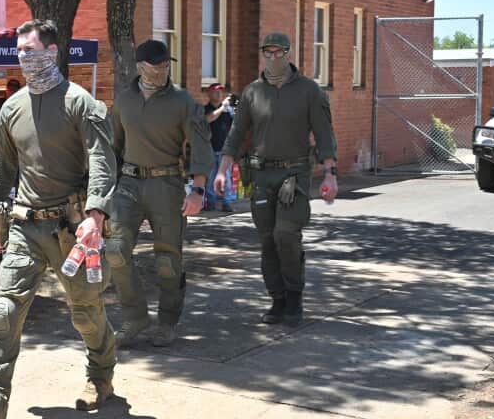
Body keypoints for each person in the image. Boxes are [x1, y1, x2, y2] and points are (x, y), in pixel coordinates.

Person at [0, 19, 117, 419]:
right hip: (24, 226)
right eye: (20, 50)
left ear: (53, 51)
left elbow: (102, 161)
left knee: (86, 313)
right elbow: (3, 168)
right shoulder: (11, 108)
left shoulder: (81, 103)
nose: (25, 58)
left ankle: (100, 374)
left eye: (32, 50)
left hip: (71, 229)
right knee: (5, 313)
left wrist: (95, 215)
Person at [214, 32, 337, 328]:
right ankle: (277, 299)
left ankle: (294, 297)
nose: (273, 58)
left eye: (278, 53)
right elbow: (236, 134)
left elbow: (323, 133)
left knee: (286, 234)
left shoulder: (309, 91)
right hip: (261, 175)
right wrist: (222, 169)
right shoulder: (252, 92)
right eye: (267, 53)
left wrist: (330, 174)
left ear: (289, 54)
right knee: (268, 240)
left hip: (293, 174)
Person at [105, 40, 213, 348]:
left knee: (168, 259)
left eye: (167, 65)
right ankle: (135, 317)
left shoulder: (183, 102)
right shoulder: (124, 100)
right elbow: (113, 147)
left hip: (167, 186)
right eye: (156, 66)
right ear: (140, 67)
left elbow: (201, 146)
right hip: (128, 184)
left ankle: (167, 321)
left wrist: (198, 189)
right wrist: (101, 192)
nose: (163, 71)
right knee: (115, 250)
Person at [204, 82, 235, 212]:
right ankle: (210, 203)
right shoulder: (205, 109)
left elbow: (236, 128)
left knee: (226, 177)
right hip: (209, 148)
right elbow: (207, 119)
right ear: (209, 94)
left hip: (225, 150)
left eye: (221, 91)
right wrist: (222, 108)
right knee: (210, 177)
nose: (219, 94)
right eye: (216, 91)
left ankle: (226, 202)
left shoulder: (229, 112)